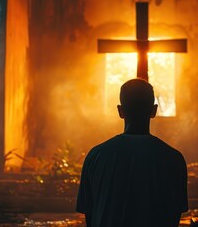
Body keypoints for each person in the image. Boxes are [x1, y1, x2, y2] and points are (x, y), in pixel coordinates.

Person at [76, 78, 188, 227]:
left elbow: (90, 216)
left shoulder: (96, 156)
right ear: (154, 111)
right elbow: (174, 217)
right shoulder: (174, 159)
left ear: (120, 111)